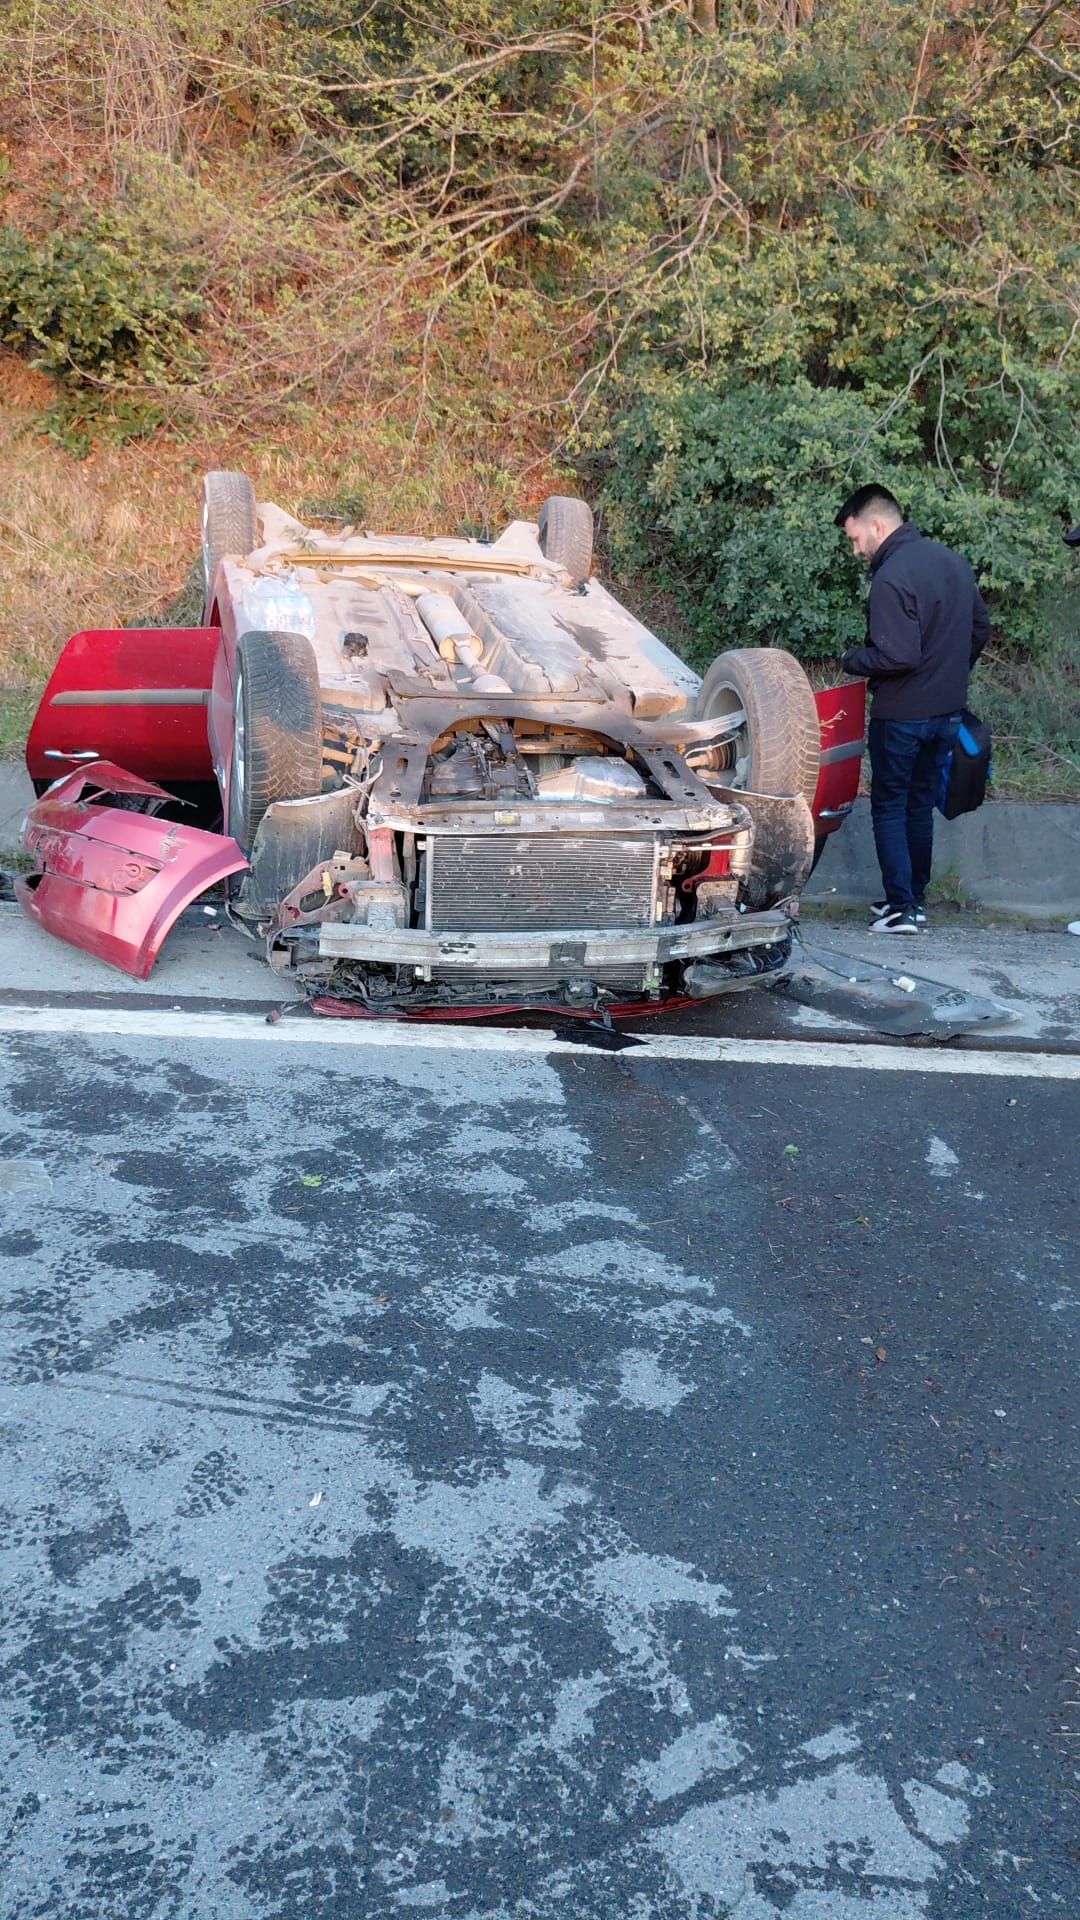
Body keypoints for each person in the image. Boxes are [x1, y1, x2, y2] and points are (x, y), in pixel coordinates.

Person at [835, 484, 990, 934]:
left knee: (888, 806)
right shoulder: (952, 562)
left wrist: (851, 660)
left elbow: (898, 656)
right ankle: (912, 901)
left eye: (855, 538)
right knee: (919, 805)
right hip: (946, 713)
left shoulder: (891, 576)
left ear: (876, 525)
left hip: (901, 715)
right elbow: (980, 627)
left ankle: (901, 908)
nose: (856, 549)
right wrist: (952, 671)